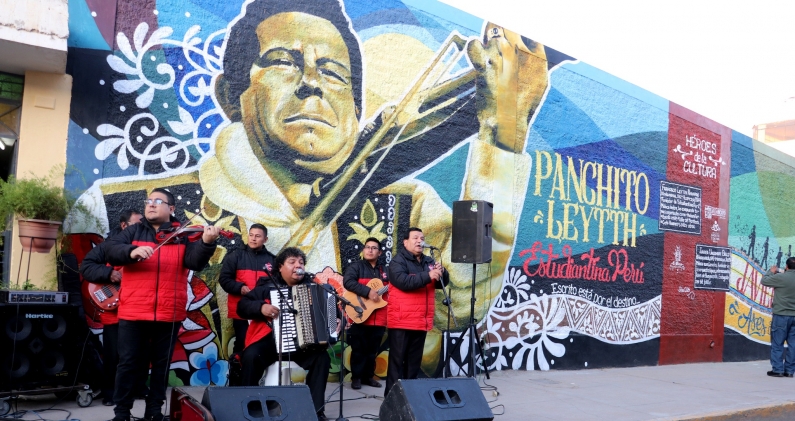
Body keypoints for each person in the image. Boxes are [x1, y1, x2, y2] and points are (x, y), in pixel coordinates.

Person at [72, 0, 546, 375]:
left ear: (356, 114)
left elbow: (462, 301)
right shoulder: (110, 207)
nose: (312, 84)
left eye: (334, 73)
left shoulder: (411, 205)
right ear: (229, 95)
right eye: (283, 61)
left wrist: (501, 143)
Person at [102, 188, 220, 421]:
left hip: (168, 311)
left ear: (171, 208)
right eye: (149, 200)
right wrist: (132, 251)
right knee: (127, 363)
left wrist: (207, 243)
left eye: (158, 201)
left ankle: (154, 412)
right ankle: (121, 413)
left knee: (161, 365)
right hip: (133, 310)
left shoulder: (182, 235)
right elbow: (111, 251)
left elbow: (194, 262)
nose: (151, 204)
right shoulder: (133, 231)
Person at [237, 247, 332, 421]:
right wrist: (261, 307)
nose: (298, 266)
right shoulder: (266, 286)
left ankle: (315, 410)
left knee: (322, 358)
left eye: (301, 262)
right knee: (251, 355)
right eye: (292, 262)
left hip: (300, 345)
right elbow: (242, 307)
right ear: (280, 267)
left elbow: (329, 310)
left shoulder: (313, 287)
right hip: (270, 342)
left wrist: (337, 319)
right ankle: (249, 406)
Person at [80, 210, 143, 406]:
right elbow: (87, 266)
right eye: (137, 224)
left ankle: (137, 389)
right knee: (113, 355)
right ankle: (110, 393)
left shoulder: (144, 244)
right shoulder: (108, 245)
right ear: (124, 226)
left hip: (137, 310)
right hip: (114, 312)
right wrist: (108, 273)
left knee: (138, 352)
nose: (141, 228)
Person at [385, 227, 448, 396]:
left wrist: (442, 272)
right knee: (397, 362)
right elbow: (403, 282)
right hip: (401, 320)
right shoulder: (397, 262)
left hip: (421, 320)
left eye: (422, 238)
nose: (420, 241)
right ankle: (391, 398)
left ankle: (410, 396)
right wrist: (428, 275)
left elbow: (441, 283)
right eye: (415, 238)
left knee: (413, 363)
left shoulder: (428, 261)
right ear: (405, 242)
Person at [218, 223, 275, 356]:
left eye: (258, 236)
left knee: (261, 345)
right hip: (240, 311)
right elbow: (224, 279)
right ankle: (238, 367)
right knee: (241, 344)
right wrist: (239, 288)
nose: (253, 239)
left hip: (263, 312)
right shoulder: (235, 256)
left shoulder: (272, 260)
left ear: (265, 239)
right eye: (251, 235)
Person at [342, 237, 388, 389]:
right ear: (363, 250)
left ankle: (368, 377)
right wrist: (368, 292)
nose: (370, 250)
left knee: (373, 350)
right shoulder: (356, 267)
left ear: (380, 252)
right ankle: (356, 378)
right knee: (358, 349)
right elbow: (348, 282)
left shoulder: (385, 271)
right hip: (359, 314)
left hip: (379, 317)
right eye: (367, 247)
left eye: (374, 248)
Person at [761, 257, 795, 377]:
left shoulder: (781, 277)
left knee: (777, 343)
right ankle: (789, 371)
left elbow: (764, 281)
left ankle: (778, 369)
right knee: (793, 345)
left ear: (787, 266)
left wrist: (771, 271)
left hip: (781, 315)